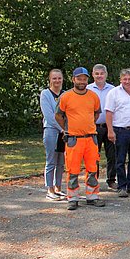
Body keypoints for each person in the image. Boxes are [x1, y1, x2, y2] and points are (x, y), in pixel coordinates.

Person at [55, 67, 104, 210]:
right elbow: (58, 115)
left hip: (91, 138)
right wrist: (67, 129)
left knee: (92, 168)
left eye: (84, 79)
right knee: (73, 169)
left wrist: (88, 126)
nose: (82, 81)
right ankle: (73, 198)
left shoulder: (93, 96)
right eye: (79, 78)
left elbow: (96, 113)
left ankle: (92, 196)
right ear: (73, 79)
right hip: (73, 139)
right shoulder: (66, 97)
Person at [105, 69, 130, 198]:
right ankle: (122, 186)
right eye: (125, 79)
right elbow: (109, 113)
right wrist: (110, 130)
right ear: (120, 79)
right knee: (120, 159)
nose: (127, 81)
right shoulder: (114, 93)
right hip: (120, 130)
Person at [87, 64, 116, 190]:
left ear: (106, 74)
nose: (99, 76)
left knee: (112, 155)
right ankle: (94, 181)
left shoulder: (113, 89)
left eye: (102, 73)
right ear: (93, 75)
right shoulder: (87, 89)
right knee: (93, 156)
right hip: (93, 127)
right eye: (97, 73)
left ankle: (111, 180)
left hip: (110, 126)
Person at [40, 69, 66, 201]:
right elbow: (50, 116)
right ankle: (49, 189)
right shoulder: (45, 94)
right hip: (51, 130)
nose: (57, 81)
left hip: (64, 132)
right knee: (51, 160)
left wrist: (65, 129)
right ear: (50, 79)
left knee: (61, 161)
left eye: (59, 78)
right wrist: (61, 129)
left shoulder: (66, 94)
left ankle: (58, 188)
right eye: (54, 78)